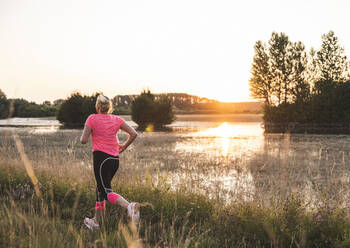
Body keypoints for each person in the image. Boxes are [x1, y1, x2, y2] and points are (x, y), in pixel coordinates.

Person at [80, 94, 139, 231]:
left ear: (98, 107)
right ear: (109, 107)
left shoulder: (92, 118)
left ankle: (129, 206)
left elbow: (83, 140)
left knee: (106, 191)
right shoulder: (116, 119)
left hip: (101, 159)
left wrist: (86, 134)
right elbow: (134, 133)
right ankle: (95, 222)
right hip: (114, 160)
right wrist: (123, 146)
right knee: (100, 190)